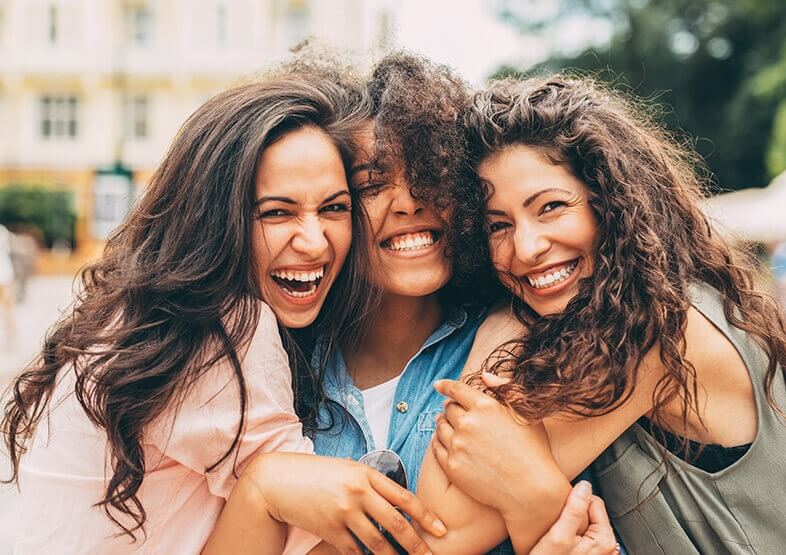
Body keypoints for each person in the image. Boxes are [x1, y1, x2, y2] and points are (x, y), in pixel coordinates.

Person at [2, 64, 443, 554]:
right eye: (277, 212)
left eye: (335, 208)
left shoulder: (145, 317)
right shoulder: (222, 330)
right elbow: (337, 534)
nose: (315, 241)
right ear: (215, 219)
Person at [239, 54, 617, 555]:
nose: (409, 202)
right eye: (372, 184)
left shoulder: (527, 351)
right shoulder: (269, 373)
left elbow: (586, 533)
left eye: (429, 173)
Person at [428, 76, 786, 554]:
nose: (526, 248)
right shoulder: (654, 304)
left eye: (551, 207)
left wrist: (501, 318)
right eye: (498, 226)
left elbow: (444, 532)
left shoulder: (658, 332)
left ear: (614, 204)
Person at [0, 223, 15, 343]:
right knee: (7, 307)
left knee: (7, 307)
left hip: (4, 274)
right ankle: (11, 335)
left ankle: (11, 335)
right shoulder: (3, 230)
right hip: (5, 273)